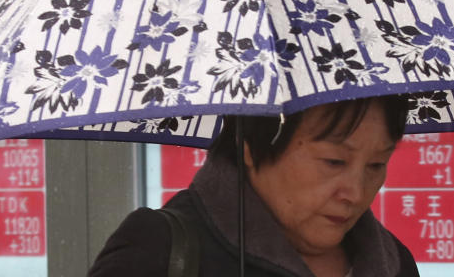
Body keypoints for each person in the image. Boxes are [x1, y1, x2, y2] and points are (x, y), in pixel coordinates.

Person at [88, 95, 419, 277]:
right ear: (251, 144)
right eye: (334, 161)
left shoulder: (393, 263)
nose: (356, 193)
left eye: (377, 164)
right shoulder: (158, 249)